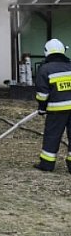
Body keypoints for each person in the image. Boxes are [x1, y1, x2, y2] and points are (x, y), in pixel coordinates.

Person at [34, 38, 71, 172]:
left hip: (57, 110)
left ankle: (47, 164)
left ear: (46, 52)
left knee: (52, 136)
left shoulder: (45, 69)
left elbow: (42, 94)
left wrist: (42, 108)